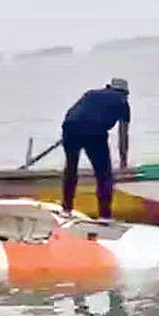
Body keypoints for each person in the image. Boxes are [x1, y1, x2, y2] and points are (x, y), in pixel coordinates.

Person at [61, 78, 131, 219]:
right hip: (94, 131)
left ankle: (66, 209)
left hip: (70, 126)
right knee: (104, 175)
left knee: (71, 168)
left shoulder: (91, 93)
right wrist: (123, 162)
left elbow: (78, 112)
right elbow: (123, 135)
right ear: (125, 94)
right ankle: (105, 217)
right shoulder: (122, 103)